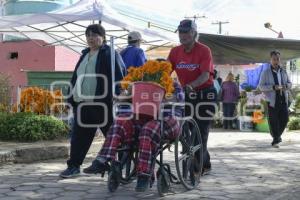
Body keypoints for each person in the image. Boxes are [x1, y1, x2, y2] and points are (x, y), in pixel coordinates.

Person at [83, 81, 184, 192]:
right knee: (120, 121)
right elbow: (123, 98)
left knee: (148, 130)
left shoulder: (172, 84)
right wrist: (128, 94)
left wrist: (161, 98)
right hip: (143, 117)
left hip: (167, 119)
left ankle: (144, 174)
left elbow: (179, 98)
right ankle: (102, 160)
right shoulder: (139, 82)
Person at [59, 24, 125, 178]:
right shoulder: (84, 54)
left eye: (95, 35)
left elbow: (120, 75)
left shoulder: (110, 53)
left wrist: (116, 94)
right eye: (88, 35)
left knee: (112, 135)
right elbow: (76, 77)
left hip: (102, 103)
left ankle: (122, 164)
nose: (91, 38)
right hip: (82, 103)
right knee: (78, 137)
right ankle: (74, 166)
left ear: (103, 37)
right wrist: (71, 96)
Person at [167, 19, 216, 174]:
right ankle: (205, 163)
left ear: (194, 33)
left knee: (200, 131)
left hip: (205, 95)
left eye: (186, 31)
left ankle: (197, 167)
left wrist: (190, 86)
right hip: (186, 96)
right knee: (186, 130)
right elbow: (165, 71)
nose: (183, 35)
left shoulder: (204, 50)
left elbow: (205, 75)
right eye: (180, 31)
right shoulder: (175, 52)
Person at [258, 50, 292, 148]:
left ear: (279, 60)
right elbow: (261, 86)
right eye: (274, 59)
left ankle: (277, 136)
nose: (276, 61)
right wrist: (273, 87)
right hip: (272, 100)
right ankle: (275, 140)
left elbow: (290, 83)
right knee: (273, 121)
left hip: (283, 99)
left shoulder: (284, 71)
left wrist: (286, 86)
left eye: (277, 59)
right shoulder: (265, 72)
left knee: (285, 119)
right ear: (270, 60)